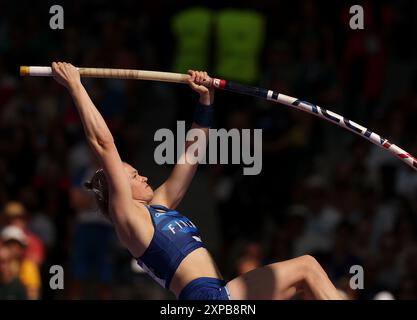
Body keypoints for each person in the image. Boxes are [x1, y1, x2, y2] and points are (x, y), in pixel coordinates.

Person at [51, 62, 343, 300]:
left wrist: (205, 99)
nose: (144, 176)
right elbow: (104, 144)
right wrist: (76, 86)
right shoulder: (129, 217)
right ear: (119, 189)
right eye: (134, 176)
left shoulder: (160, 206)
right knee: (306, 268)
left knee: (307, 270)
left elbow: (191, 156)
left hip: (223, 296)